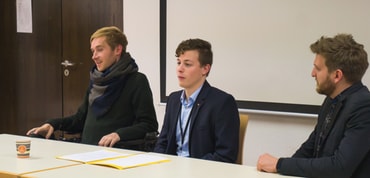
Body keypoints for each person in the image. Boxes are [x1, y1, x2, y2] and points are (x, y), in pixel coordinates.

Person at [257, 34, 370, 177]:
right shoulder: (332, 100)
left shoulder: (364, 106)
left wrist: (280, 164)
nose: (312, 73)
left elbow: (340, 166)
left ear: (337, 75)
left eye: (318, 68)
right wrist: (280, 171)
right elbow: (311, 147)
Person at [27, 26, 158, 148]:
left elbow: (148, 125)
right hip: (86, 152)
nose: (94, 56)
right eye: (93, 51)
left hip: (117, 157)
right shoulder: (97, 81)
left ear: (118, 50)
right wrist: (52, 124)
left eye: (100, 49)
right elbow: (80, 120)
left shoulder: (137, 81)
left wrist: (118, 134)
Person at [154, 38, 240, 163]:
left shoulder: (222, 103)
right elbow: (162, 143)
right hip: (171, 169)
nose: (180, 69)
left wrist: (190, 168)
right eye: (179, 63)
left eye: (187, 64)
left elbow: (225, 155)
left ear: (205, 69)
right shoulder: (173, 99)